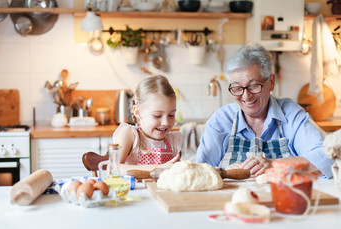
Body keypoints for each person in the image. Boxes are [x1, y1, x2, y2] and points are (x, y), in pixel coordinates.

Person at [196, 44, 334, 178]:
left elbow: (327, 157)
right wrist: (223, 172)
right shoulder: (221, 120)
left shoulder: (290, 114)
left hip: (282, 199)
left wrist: (275, 165)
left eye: (254, 86)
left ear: (271, 82)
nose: (246, 96)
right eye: (237, 88)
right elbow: (199, 172)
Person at [113, 75, 183, 175]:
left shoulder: (174, 140)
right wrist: (159, 168)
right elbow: (113, 168)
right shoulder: (130, 134)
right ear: (137, 112)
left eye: (171, 115)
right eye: (157, 116)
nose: (166, 122)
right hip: (136, 191)